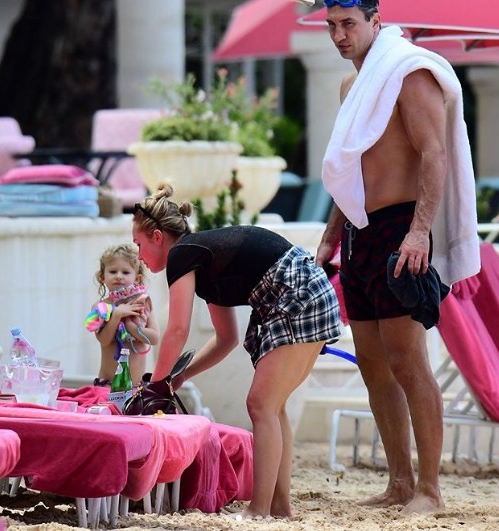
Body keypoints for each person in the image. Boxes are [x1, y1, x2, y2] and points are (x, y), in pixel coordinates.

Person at [316, 0, 480, 516]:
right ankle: (400, 482)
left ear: (375, 22)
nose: (339, 35)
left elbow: (435, 153)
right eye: (331, 26)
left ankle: (431, 490)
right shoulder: (351, 86)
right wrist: (330, 236)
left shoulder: (410, 72)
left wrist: (419, 232)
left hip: (401, 228)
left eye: (348, 24)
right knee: (371, 363)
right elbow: (351, 170)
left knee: (408, 360)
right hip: (359, 233)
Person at [131, 184, 342, 519]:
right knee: (273, 407)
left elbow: (177, 330)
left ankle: (258, 511)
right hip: (308, 291)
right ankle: (279, 507)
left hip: (297, 293)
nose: (139, 255)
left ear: (157, 237)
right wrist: (177, 377)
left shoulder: (182, 254)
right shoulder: (202, 259)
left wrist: (155, 385)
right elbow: (225, 338)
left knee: (261, 404)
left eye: (138, 244)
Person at [85, 243, 160, 386]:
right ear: (102, 277)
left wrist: (131, 327)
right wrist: (117, 315)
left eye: (125, 272)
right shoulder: (101, 307)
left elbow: (154, 338)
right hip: (107, 385)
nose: (119, 276)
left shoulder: (143, 303)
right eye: (113, 272)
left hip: (135, 387)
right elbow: (104, 340)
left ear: (137, 278)